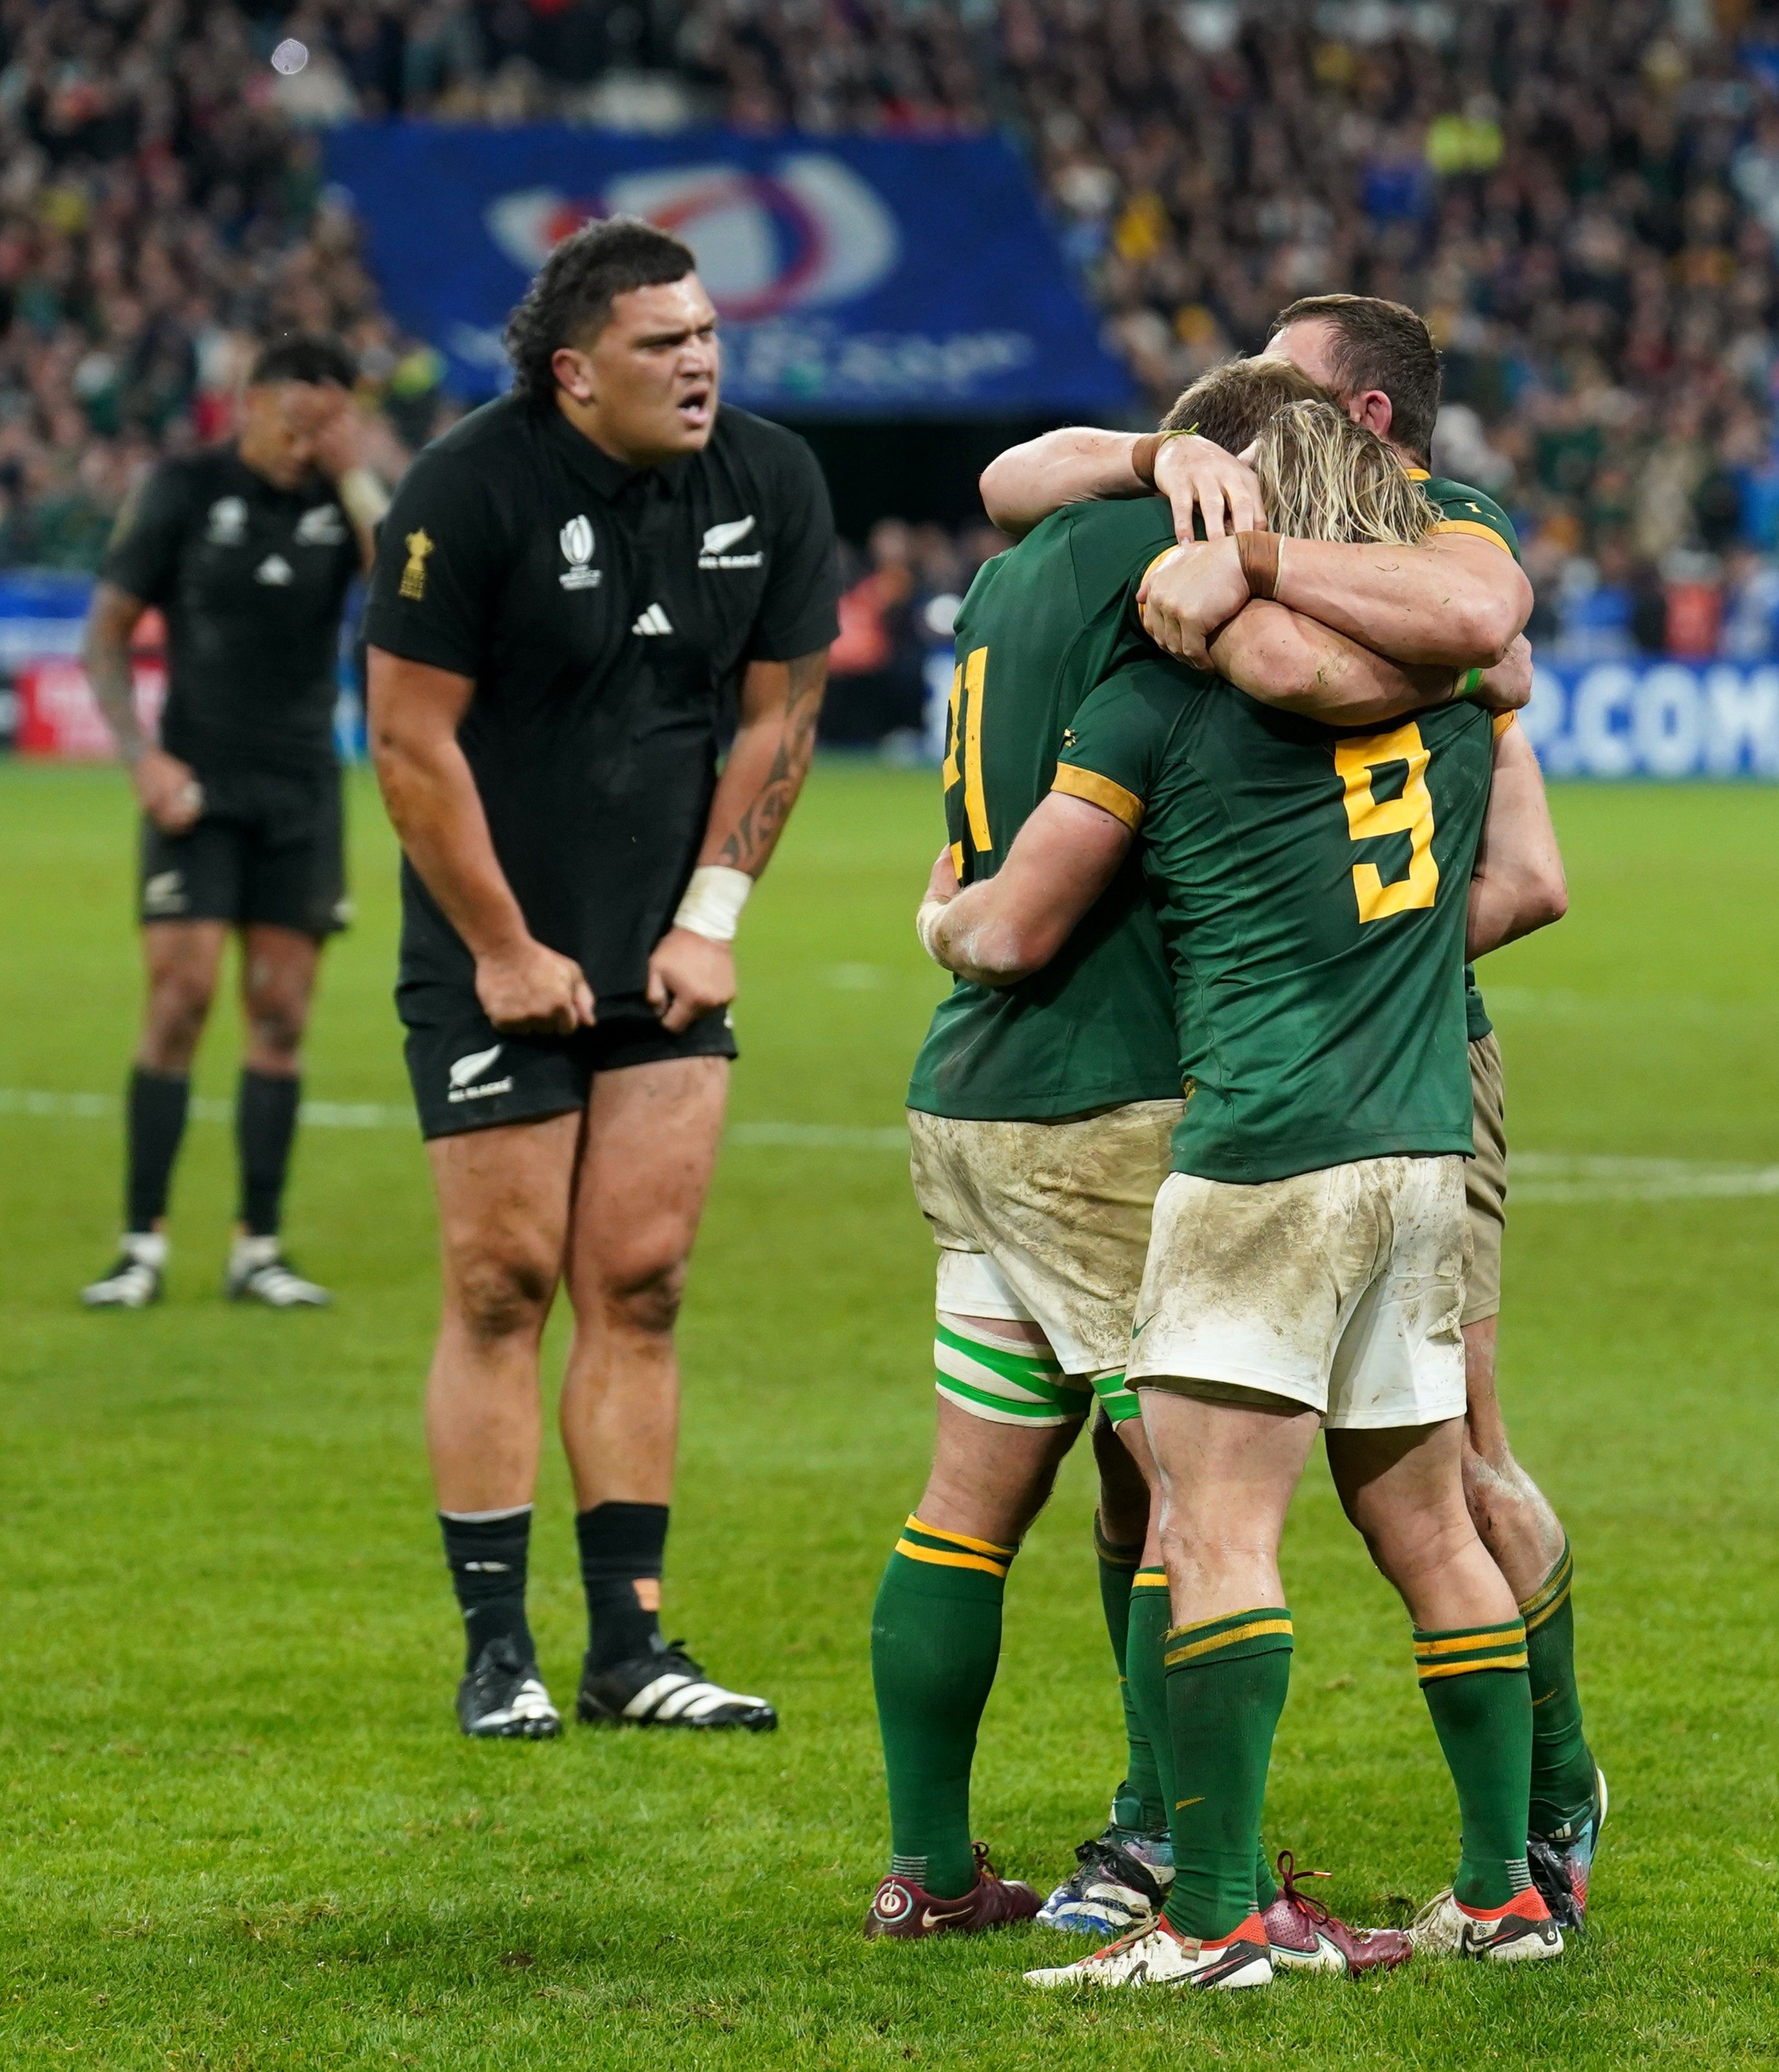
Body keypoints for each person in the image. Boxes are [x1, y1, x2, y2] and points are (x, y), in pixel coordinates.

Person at [864, 360, 1529, 1965]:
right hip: (1130, 1091)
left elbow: (1018, 471)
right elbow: (1431, 655)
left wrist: (941, 915)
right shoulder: (1180, 623)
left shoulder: (1027, 564)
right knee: (1192, 1503)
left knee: (976, 1497)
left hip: (969, 1089)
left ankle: (934, 1863)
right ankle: (1182, 1871)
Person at [364, 217, 837, 1743]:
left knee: (643, 1282)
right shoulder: (467, 489)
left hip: (665, 957)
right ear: (576, 374)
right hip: (493, 953)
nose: (700, 361)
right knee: (501, 1287)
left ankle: (630, 1649)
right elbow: (409, 741)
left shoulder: (768, 480)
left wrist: (710, 917)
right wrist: (502, 947)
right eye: (662, 343)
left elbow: (778, 721)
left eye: (707, 335)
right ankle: (495, 1647)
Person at [79, 334, 385, 1312]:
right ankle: (142, 1244)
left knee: (283, 1015)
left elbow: (420, 587)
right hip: (196, 784)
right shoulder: (181, 489)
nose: (308, 439)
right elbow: (105, 638)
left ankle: (260, 1246)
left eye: (328, 423)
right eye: (296, 418)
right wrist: (143, 757)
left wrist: (358, 478)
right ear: (250, 403)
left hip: (302, 786)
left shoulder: (345, 505)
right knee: (179, 999)